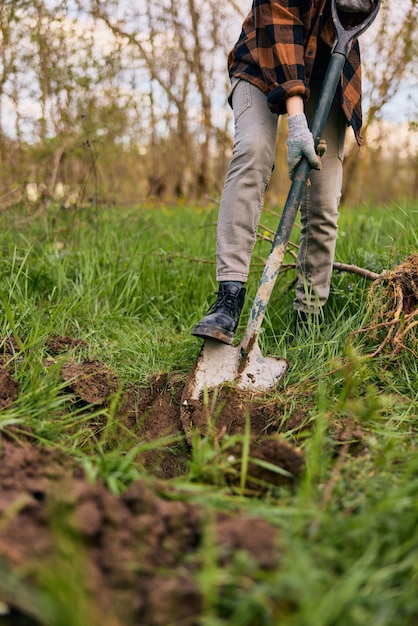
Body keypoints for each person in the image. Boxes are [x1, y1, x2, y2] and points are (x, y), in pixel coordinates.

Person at [192, 0, 375, 346]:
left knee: (323, 199)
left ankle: (308, 322)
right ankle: (228, 299)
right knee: (253, 152)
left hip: (327, 74)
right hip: (262, 60)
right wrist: (296, 122)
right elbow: (280, 24)